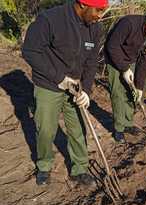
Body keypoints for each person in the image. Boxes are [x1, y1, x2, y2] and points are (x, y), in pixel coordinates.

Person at [22, 0, 109, 186]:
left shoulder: (95, 27)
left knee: (78, 128)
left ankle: (80, 169)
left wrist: (86, 89)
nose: (100, 16)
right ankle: (44, 165)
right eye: (98, 11)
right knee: (45, 129)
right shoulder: (51, 19)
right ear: (83, 4)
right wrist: (59, 78)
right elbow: (30, 51)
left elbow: (92, 61)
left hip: (75, 85)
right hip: (48, 84)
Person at [104, 4, 146, 143]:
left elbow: (145, 61)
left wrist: (139, 86)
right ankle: (119, 128)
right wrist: (123, 68)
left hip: (132, 60)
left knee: (132, 93)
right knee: (118, 93)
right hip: (114, 57)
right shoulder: (129, 23)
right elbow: (111, 46)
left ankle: (128, 123)